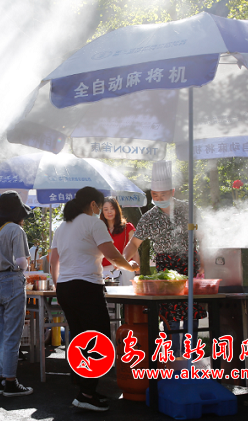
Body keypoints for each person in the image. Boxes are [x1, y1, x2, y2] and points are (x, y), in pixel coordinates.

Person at [49, 186, 139, 411]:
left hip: (66, 288)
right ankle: (86, 394)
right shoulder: (93, 223)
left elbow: (53, 262)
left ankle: (84, 388)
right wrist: (131, 266)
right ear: (92, 204)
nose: (100, 211)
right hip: (86, 287)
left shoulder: (62, 226)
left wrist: (58, 287)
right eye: (99, 206)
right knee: (98, 338)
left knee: (79, 338)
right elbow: (112, 255)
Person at [122, 160, 207, 356]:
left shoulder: (189, 209)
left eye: (163, 195)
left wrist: (204, 263)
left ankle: (192, 355)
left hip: (190, 264)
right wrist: (123, 261)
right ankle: (173, 355)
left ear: (173, 191)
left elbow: (203, 237)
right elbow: (133, 244)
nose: (159, 198)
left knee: (191, 313)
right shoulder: (149, 217)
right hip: (166, 270)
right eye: (155, 195)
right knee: (170, 314)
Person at [0, 190, 33, 397]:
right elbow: (21, 262)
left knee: (0, 334)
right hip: (12, 282)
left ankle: (1, 379)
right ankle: (10, 382)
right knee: (12, 335)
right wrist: (23, 266)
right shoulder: (15, 230)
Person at [100, 196, 140, 285]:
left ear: (117, 210)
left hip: (125, 270)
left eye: (112, 208)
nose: (109, 212)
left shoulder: (128, 227)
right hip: (104, 272)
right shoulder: (98, 230)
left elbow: (135, 252)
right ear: (102, 212)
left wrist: (138, 274)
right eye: (106, 209)